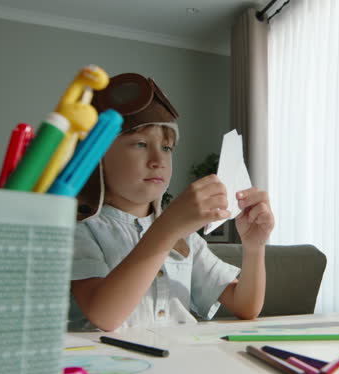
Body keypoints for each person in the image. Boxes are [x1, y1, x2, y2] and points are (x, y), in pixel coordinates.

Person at [69, 73, 274, 332]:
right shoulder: (81, 230)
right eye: (140, 144)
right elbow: (105, 316)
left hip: (177, 363)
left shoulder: (186, 237)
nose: (158, 159)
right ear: (97, 157)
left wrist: (254, 248)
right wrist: (168, 227)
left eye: (167, 148)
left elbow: (246, 306)